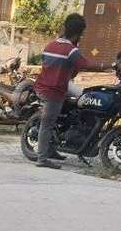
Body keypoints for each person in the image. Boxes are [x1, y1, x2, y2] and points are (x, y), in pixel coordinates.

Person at [33, 13, 90, 170]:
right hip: (54, 91)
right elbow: (85, 65)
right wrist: (110, 65)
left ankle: (52, 149)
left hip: (42, 86)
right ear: (79, 33)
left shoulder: (50, 45)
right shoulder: (71, 50)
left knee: (57, 117)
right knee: (47, 124)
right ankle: (42, 158)